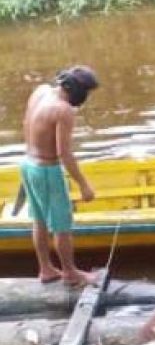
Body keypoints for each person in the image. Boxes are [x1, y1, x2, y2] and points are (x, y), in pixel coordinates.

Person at [20, 66, 100, 285]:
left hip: (28, 164)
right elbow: (64, 154)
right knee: (61, 224)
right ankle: (70, 273)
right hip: (47, 170)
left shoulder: (41, 91)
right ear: (78, 91)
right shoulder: (63, 110)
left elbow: (26, 124)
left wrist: (32, 158)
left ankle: (46, 269)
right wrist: (84, 185)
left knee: (39, 220)